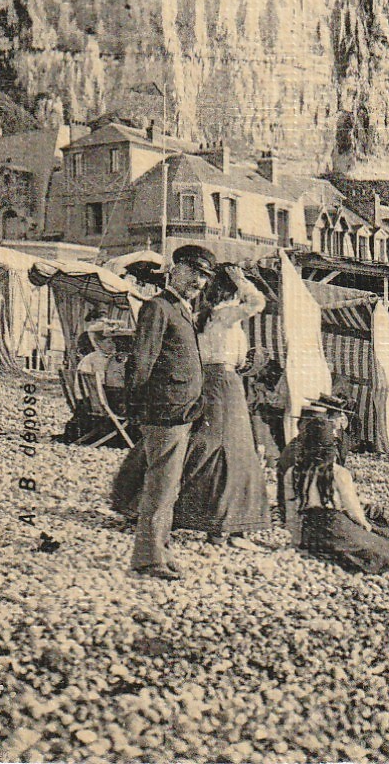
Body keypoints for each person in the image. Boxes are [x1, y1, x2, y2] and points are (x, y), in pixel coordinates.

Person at [123, 244, 215, 580]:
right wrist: (135, 406)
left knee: (169, 487)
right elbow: (142, 360)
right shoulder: (158, 307)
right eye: (193, 272)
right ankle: (148, 559)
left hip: (181, 410)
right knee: (160, 489)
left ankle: (160, 551)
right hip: (164, 411)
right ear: (174, 268)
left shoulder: (182, 309)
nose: (199, 281)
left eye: (204, 276)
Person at [172, 263, 271, 550]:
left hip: (210, 381)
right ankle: (227, 526)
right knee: (236, 451)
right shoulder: (227, 315)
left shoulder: (204, 317)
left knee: (211, 446)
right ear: (233, 291)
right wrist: (242, 281)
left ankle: (203, 518)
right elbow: (258, 301)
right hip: (226, 384)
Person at [285, 414, 389, 574]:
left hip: (309, 530)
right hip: (335, 523)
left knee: (372, 535)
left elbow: (291, 511)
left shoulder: (292, 473)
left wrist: (297, 539)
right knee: (387, 552)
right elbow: (353, 509)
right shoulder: (338, 473)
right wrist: (365, 527)